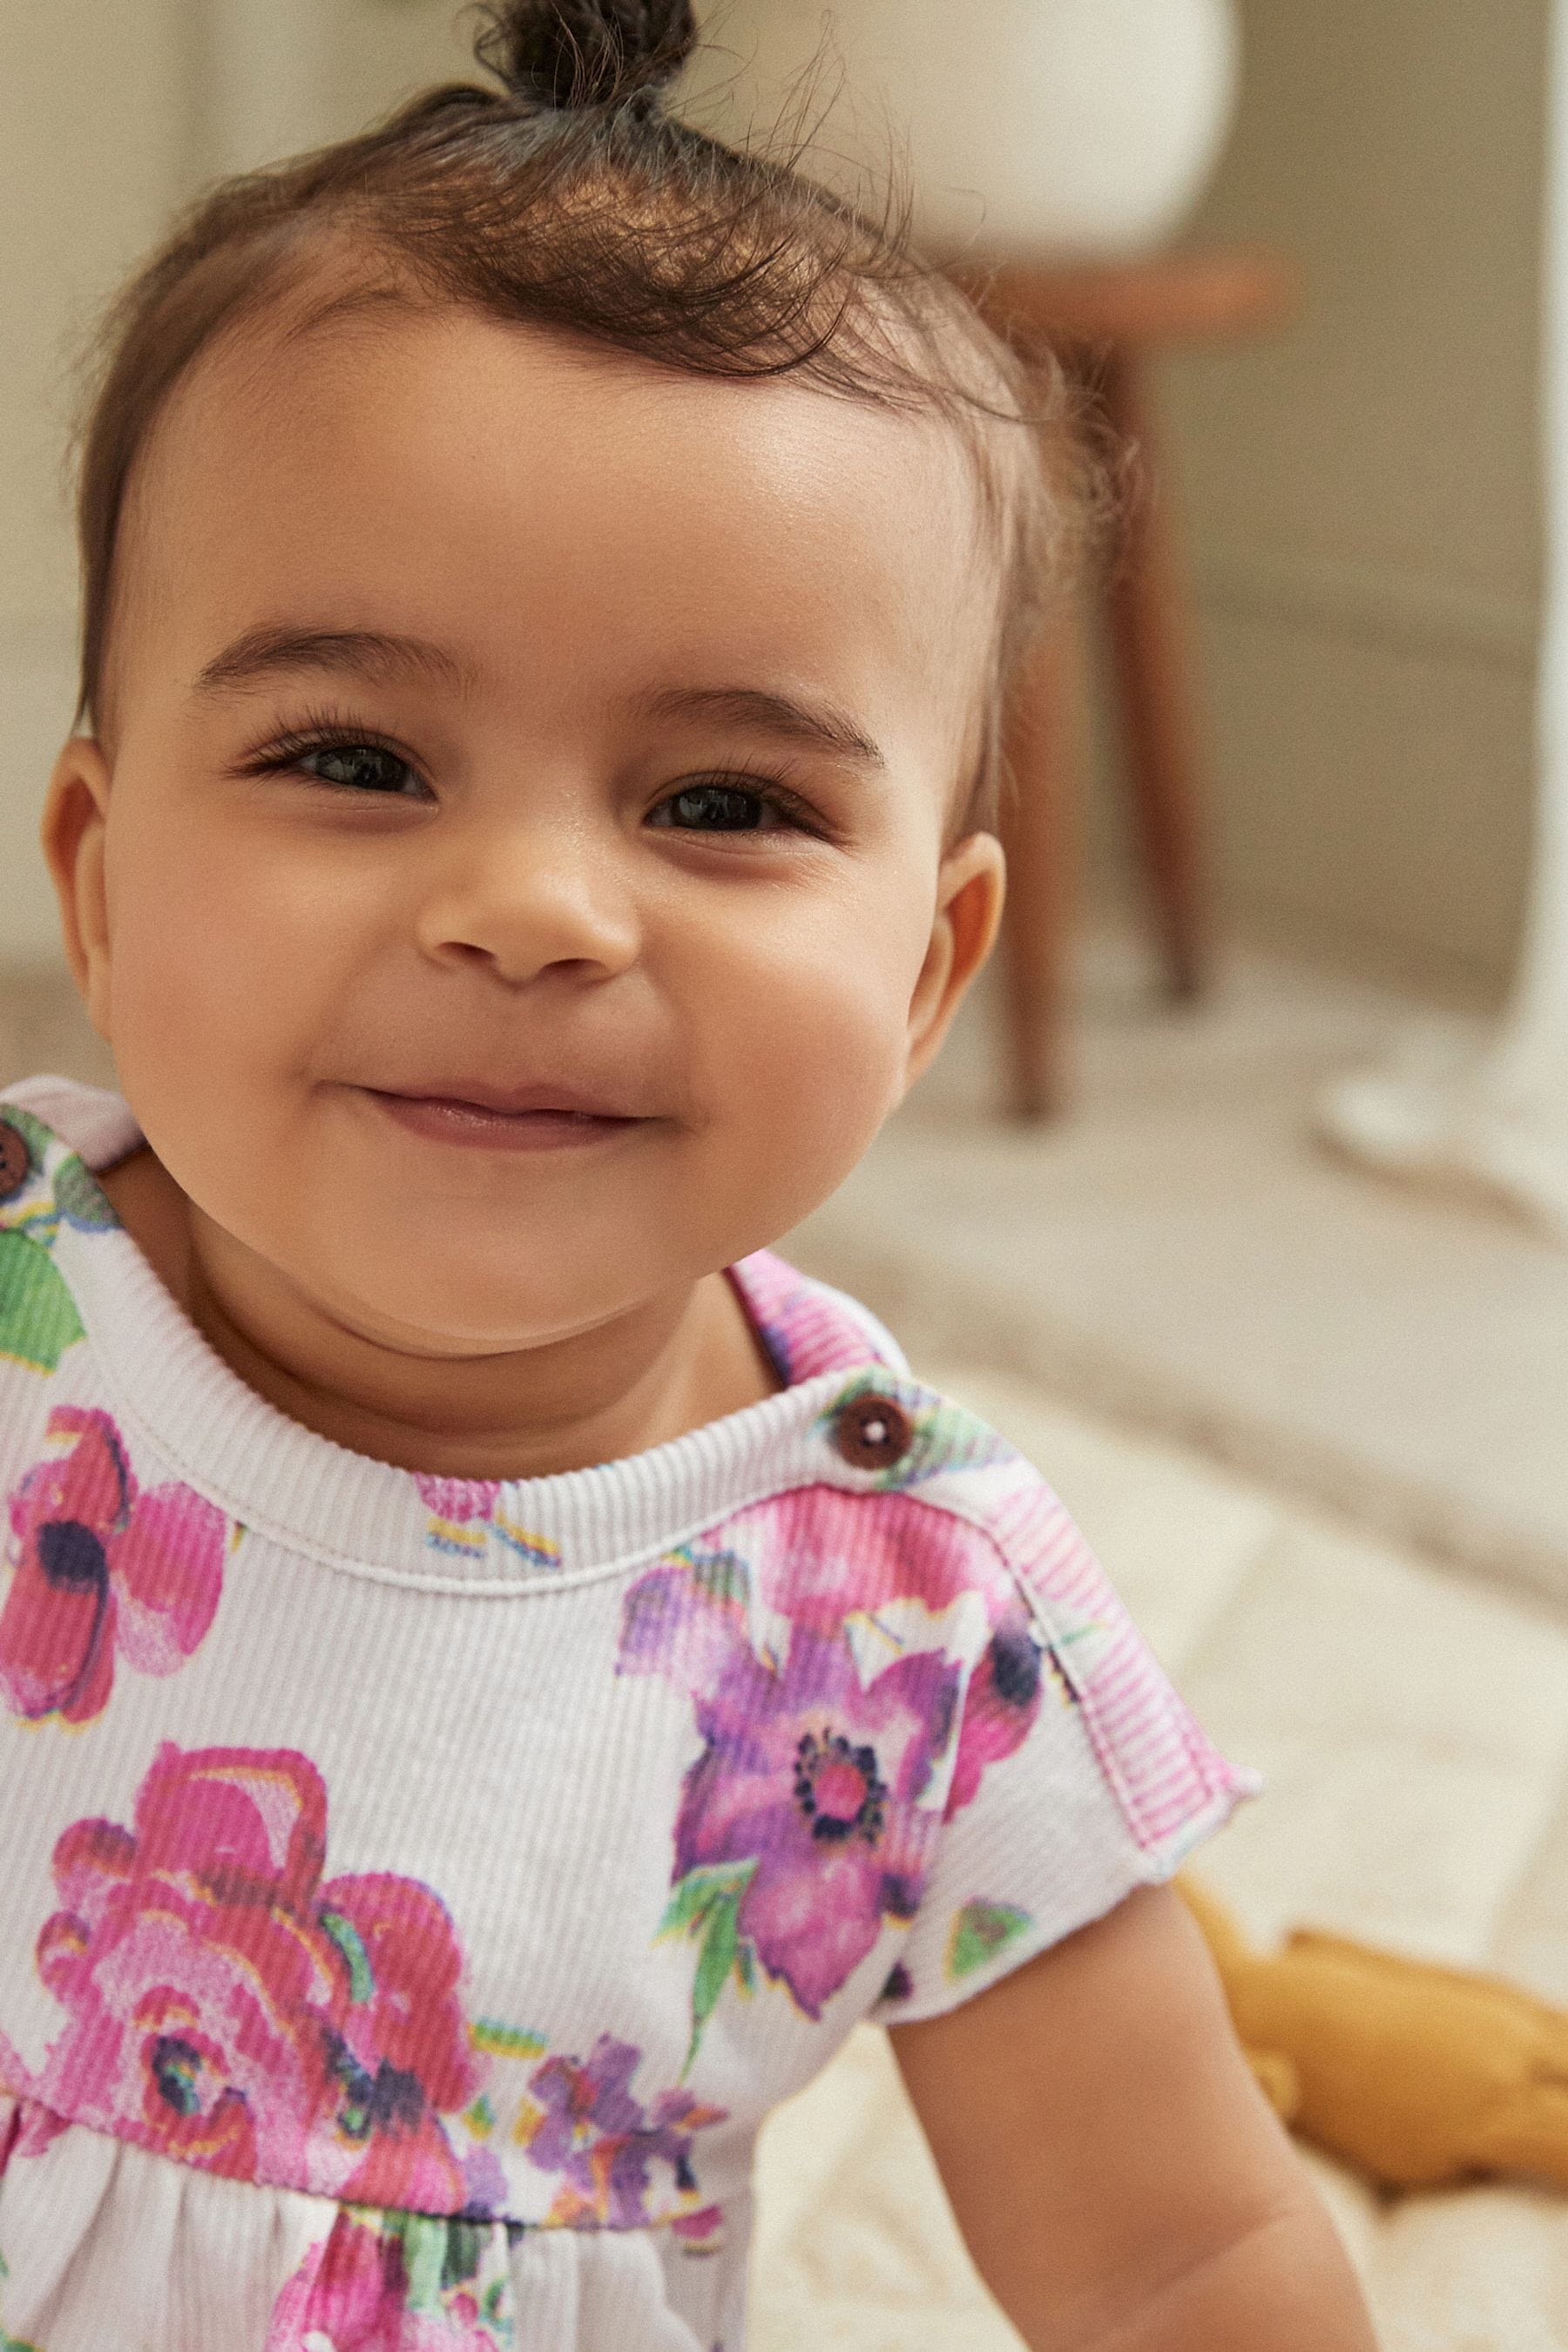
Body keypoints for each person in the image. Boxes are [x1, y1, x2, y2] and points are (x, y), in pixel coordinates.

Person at [0, 3, 1379, 2345]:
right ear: (102, 883)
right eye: (355, 753)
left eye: (723, 803)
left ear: (930, 972)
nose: (536, 905)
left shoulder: (909, 1628)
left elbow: (1175, 2253)